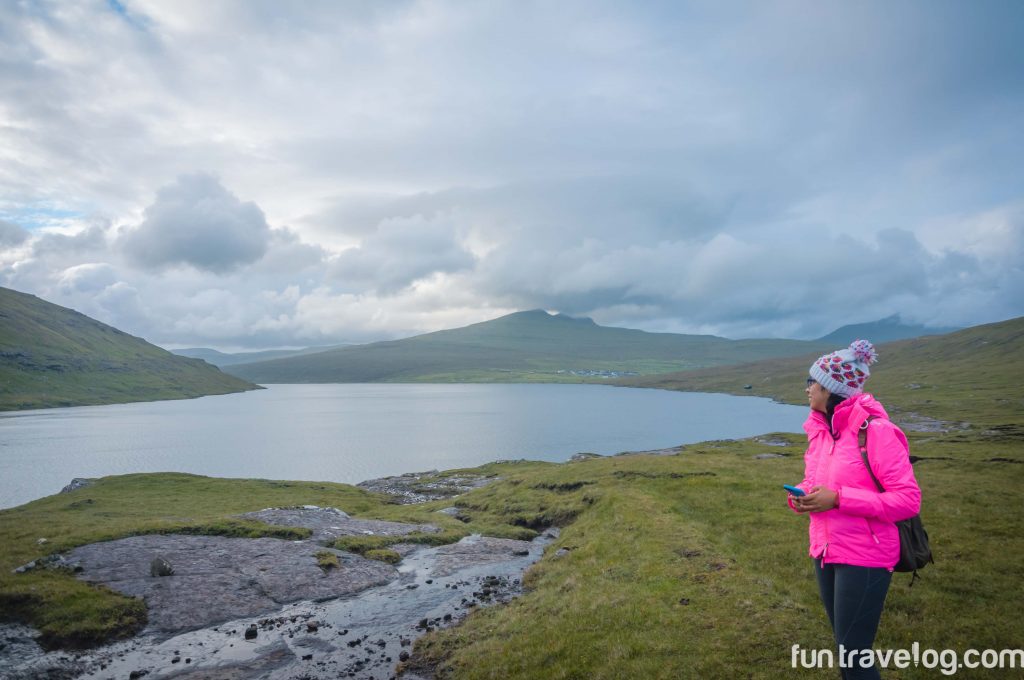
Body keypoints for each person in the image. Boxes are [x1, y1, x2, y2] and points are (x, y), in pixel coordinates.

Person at [787, 339, 921, 680]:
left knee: (853, 654)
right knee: (846, 647)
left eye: (812, 382)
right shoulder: (821, 432)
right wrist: (802, 496)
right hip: (826, 551)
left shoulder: (876, 432)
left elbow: (907, 500)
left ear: (832, 390)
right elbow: (814, 480)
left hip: (866, 556)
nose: (807, 389)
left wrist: (839, 499)